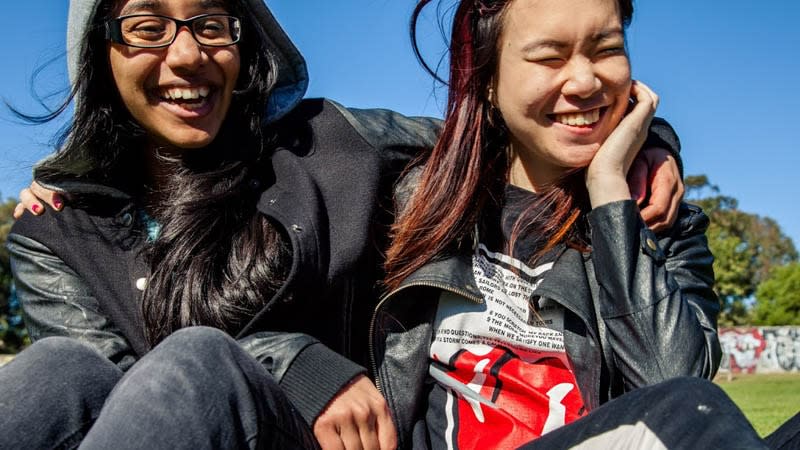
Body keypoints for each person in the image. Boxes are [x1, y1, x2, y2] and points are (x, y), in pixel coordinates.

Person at [5, 0, 687, 448]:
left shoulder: (326, 144)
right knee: (57, 370)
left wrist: (647, 137)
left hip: (313, 438)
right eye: (147, 27)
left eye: (211, 23)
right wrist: (290, 360)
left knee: (197, 358)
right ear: (100, 51)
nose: (186, 56)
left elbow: (498, 134)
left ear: (243, 41)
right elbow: (124, 405)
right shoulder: (56, 229)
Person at [372, 0, 798, 449]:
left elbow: (672, 394)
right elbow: (306, 134)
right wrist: (309, 368)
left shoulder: (666, 224)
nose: (585, 81)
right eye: (549, 57)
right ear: (488, 81)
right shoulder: (410, 192)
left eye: (606, 49)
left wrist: (611, 192)